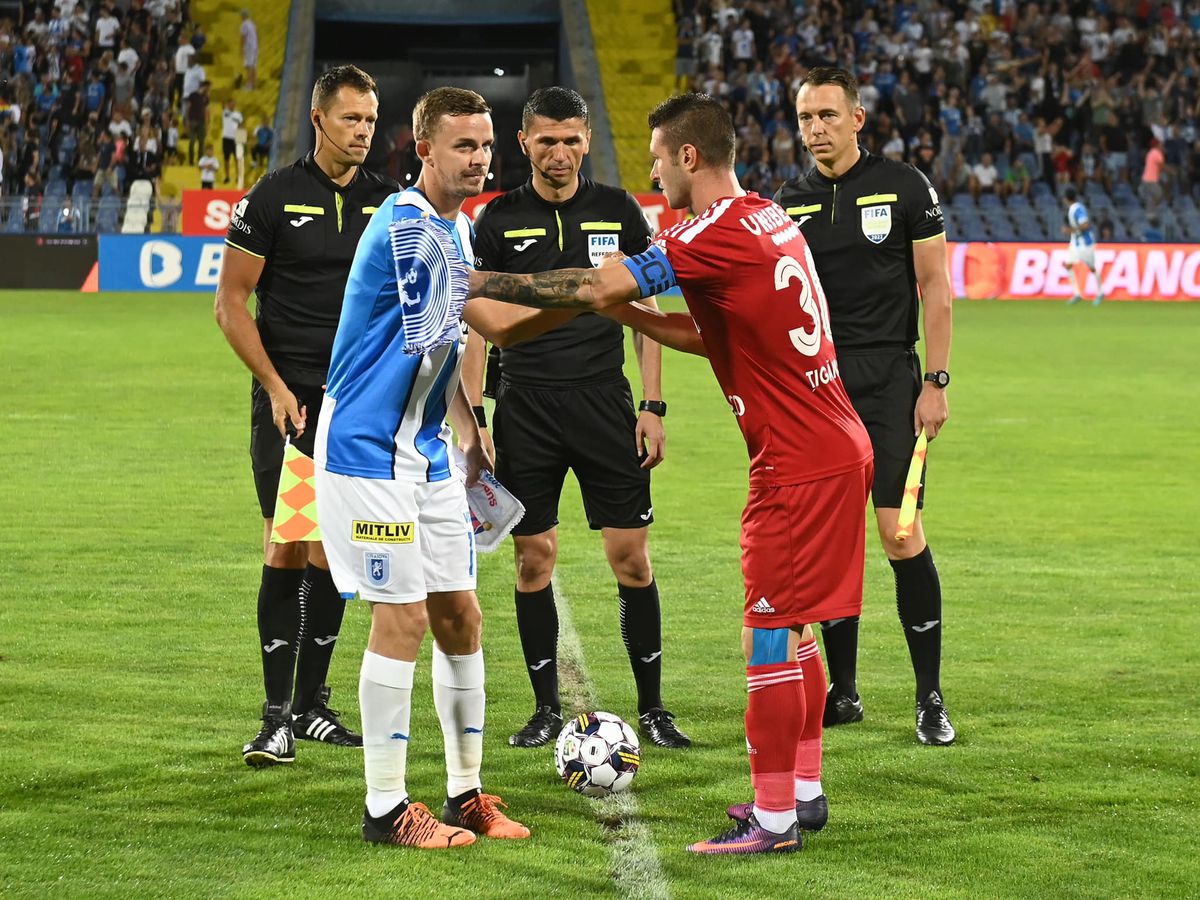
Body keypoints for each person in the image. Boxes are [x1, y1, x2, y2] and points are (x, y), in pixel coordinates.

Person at [467, 93, 874, 856]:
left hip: (796, 464)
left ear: (689, 157)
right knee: (800, 630)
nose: (653, 174)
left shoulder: (712, 232)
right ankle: (806, 794)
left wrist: (479, 281)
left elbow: (592, 286)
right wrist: (632, 318)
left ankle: (775, 820)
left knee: (767, 636)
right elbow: (709, 330)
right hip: (831, 442)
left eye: (657, 159)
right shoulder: (766, 215)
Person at [315, 86, 571, 848]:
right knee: (402, 616)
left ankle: (467, 795)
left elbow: (450, 346)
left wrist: (467, 432)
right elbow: (492, 321)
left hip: (424, 456)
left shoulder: (453, 231)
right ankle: (385, 808)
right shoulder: (408, 230)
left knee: (462, 615)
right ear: (421, 149)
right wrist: (602, 294)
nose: (479, 158)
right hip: (364, 454)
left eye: (486, 146)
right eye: (463, 145)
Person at [464, 86, 690, 751]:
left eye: (570, 140)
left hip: (604, 403)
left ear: (587, 141)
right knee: (534, 559)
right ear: (524, 143)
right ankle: (543, 709)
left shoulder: (619, 211)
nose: (559, 153)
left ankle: (652, 709)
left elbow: (647, 319)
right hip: (526, 407)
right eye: (546, 141)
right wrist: (476, 415)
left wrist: (651, 406)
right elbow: (476, 327)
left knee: (632, 559)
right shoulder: (498, 220)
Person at [214, 65, 400, 768]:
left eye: (370, 121)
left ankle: (311, 704)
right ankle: (272, 718)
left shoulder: (390, 203)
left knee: (336, 550)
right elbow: (230, 302)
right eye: (351, 119)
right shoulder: (274, 196)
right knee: (287, 542)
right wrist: (273, 386)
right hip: (291, 402)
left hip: (359, 409)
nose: (362, 133)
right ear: (318, 120)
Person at [774, 67, 957, 746]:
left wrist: (935, 381)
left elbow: (935, 286)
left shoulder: (904, 185)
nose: (815, 128)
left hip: (889, 380)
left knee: (900, 531)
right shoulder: (785, 202)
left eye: (827, 114)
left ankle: (929, 697)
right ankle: (842, 692)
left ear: (856, 118)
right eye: (805, 118)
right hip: (815, 389)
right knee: (829, 542)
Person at [1062, 185, 1104, 306]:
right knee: (1068, 265)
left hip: (1085, 243)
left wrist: (1071, 230)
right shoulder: (1072, 209)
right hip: (1075, 243)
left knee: (1092, 268)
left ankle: (1100, 293)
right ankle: (1077, 294)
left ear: (1066, 198)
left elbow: (1085, 225)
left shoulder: (1077, 209)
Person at [221, 97, 244, 183]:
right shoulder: (225, 112)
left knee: (237, 158)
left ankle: (238, 176)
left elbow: (241, 126)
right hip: (226, 138)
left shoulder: (238, 115)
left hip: (235, 139)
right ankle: (227, 176)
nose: (232, 105)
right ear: (227, 104)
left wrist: (241, 139)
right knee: (226, 159)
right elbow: (222, 104)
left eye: (233, 103)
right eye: (230, 103)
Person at [240, 11, 258, 92]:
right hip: (255, 47)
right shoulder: (252, 24)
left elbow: (243, 37)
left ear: (243, 16)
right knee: (253, 66)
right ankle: (254, 84)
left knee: (249, 66)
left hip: (249, 47)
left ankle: (249, 85)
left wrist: (241, 48)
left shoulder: (244, 24)